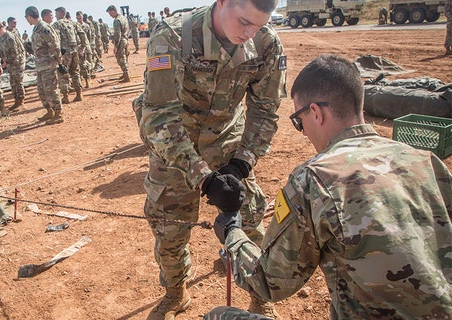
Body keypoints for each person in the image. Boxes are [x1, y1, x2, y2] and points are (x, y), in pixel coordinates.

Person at [208, 54, 452, 319]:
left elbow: (269, 282)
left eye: (298, 122)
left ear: (315, 112)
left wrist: (232, 230)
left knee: (218, 315)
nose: (302, 131)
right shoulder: (427, 161)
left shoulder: (314, 179)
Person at [132, 0, 287, 318]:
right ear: (223, 2)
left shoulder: (266, 42)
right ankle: (176, 292)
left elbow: (266, 109)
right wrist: (203, 176)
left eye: (257, 25)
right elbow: (159, 116)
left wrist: (242, 162)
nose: (249, 32)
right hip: (174, 150)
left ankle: (260, 296)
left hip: (229, 146)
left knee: (249, 224)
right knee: (169, 230)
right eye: (244, 21)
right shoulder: (173, 36)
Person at [26, 6, 64, 124]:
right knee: (42, 90)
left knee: (51, 90)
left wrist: (59, 61)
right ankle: (50, 111)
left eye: (26, 18)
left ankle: (58, 114)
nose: (27, 20)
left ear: (29, 16)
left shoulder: (44, 28)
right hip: (40, 65)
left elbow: (55, 45)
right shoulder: (36, 29)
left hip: (48, 64)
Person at [53, 6, 84, 103]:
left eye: (56, 14)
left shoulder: (57, 24)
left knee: (63, 74)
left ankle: (66, 97)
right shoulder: (73, 23)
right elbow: (82, 34)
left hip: (65, 52)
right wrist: (82, 47)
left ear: (60, 13)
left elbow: (56, 39)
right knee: (75, 72)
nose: (55, 16)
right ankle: (79, 94)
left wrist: (58, 54)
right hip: (74, 50)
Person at [0, 22, 26, 110]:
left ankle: (20, 101)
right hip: (11, 63)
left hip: (17, 62)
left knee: (17, 81)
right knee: (13, 82)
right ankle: (16, 100)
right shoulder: (2, 38)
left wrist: (6, 63)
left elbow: (14, 53)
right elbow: (2, 51)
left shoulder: (9, 37)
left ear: (1, 28)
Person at [106, 5, 130, 82]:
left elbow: (117, 34)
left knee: (120, 58)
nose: (110, 16)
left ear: (113, 11)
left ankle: (126, 76)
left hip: (121, 41)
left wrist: (116, 46)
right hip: (126, 39)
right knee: (125, 57)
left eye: (110, 14)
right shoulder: (123, 18)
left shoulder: (117, 21)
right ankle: (125, 74)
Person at [76, 11, 94, 88]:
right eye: (78, 18)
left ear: (82, 17)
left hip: (87, 47)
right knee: (82, 64)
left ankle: (89, 78)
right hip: (80, 48)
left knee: (89, 63)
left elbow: (89, 37)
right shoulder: (75, 26)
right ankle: (84, 80)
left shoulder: (87, 26)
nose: (79, 19)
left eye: (80, 18)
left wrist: (89, 45)